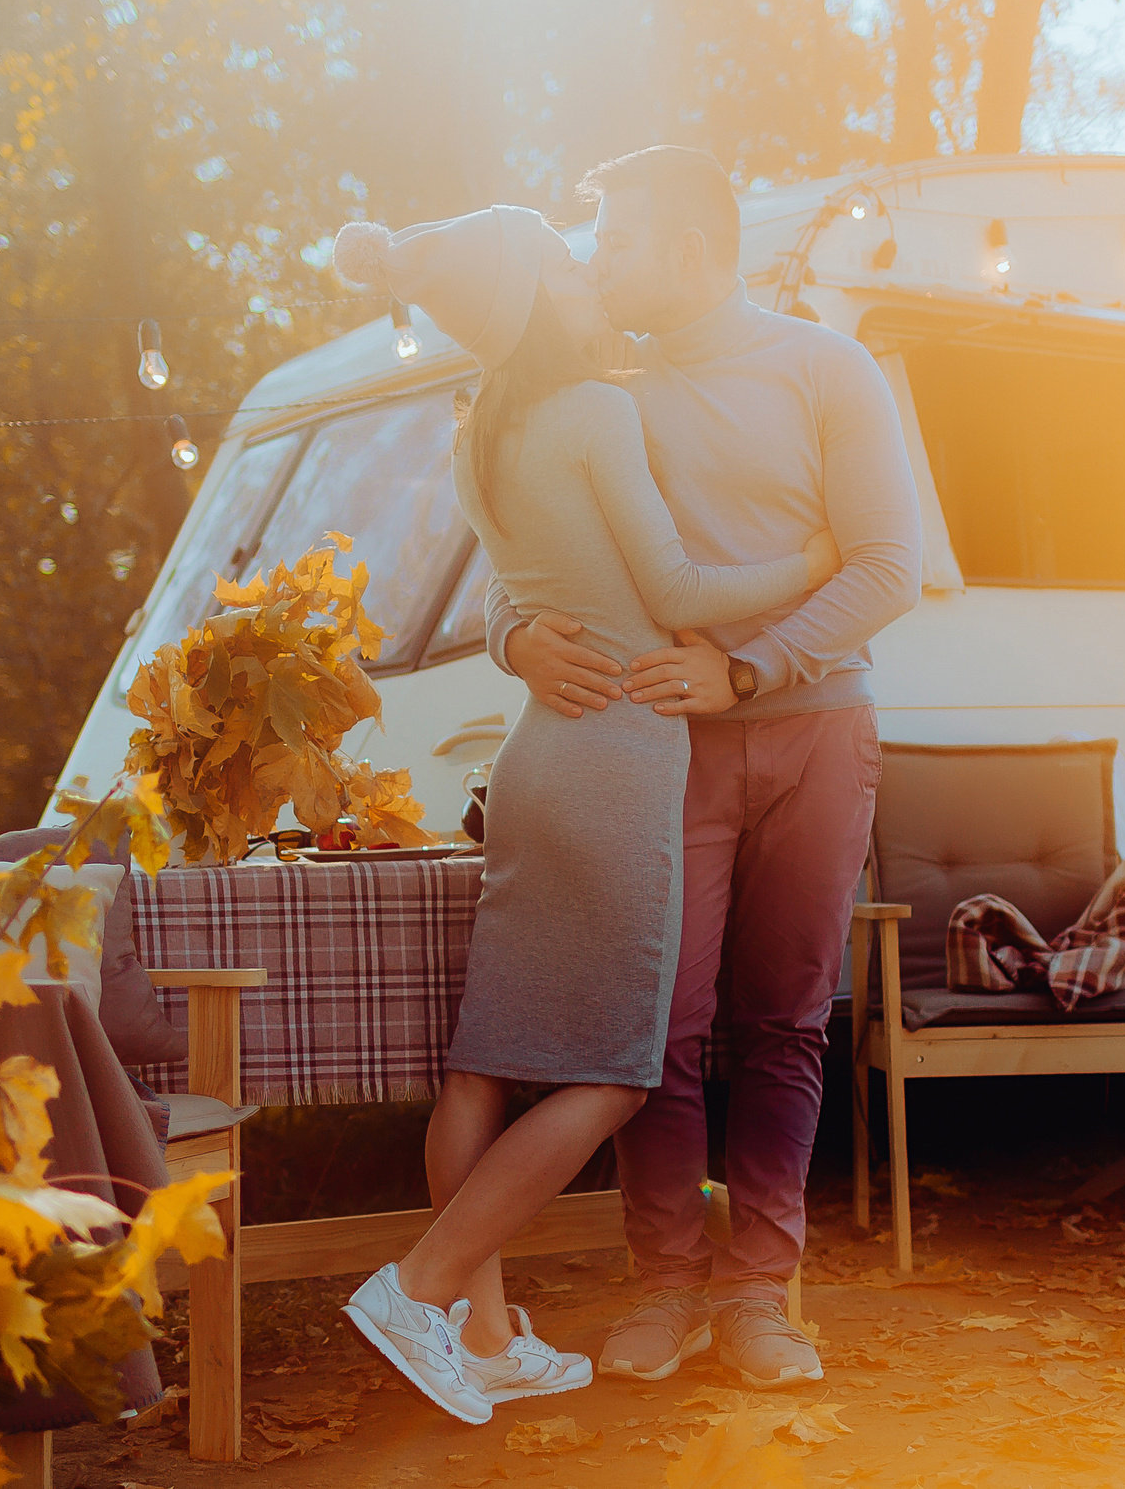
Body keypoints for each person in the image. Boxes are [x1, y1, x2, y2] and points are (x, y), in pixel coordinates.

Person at [327, 204, 841, 1423]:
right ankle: (418, 1290)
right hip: (614, 761)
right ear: (532, 294)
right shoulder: (597, 412)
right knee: (613, 1074)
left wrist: (514, 637)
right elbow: (678, 588)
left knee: (487, 1064)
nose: (585, 272)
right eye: (563, 261)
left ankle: (487, 1339)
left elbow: (518, 590)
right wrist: (817, 562)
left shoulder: (478, 433)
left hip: (538, 761)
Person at [484, 146, 922, 1390]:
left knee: (784, 1022)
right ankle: (666, 1286)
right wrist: (514, 639)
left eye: (615, 239)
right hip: (654, 751)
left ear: (686, 248)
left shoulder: (825, 368)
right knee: (659, 1028)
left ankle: (756, 1295)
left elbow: (888, 566)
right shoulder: (599, 391)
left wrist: (748, 669)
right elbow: (519, 558)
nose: (594, 262)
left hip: (817, 735)